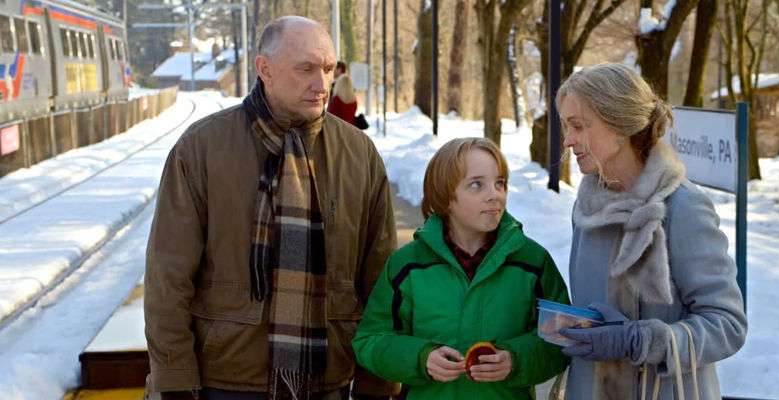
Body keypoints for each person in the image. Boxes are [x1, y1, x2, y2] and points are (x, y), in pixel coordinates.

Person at [144, 16, 398, 400]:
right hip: (224, 380)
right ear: (265, 69)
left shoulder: (359, 154)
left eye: (328, 69)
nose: (322, 84)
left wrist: (377, 381)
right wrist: (175, 380)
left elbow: (381, 278)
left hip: (328, 379)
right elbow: (168, 278)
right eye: (306, 69)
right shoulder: (201, 148)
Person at [555, 63, 747, 399]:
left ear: (619, 125)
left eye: (579, 126)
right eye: (566, 127)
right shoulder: (586, 210)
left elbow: (727, 325)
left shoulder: (683, 207)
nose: (568, 141)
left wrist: (641, 340)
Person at [352, 137, 570, 399]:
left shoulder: (533, 262)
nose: (494, 195)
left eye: (500, 183)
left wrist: (516, 359)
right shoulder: (407, 266)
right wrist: (421, 358)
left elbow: (561, 340)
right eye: (477, 184)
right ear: (446, 196)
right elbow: (371, 340)